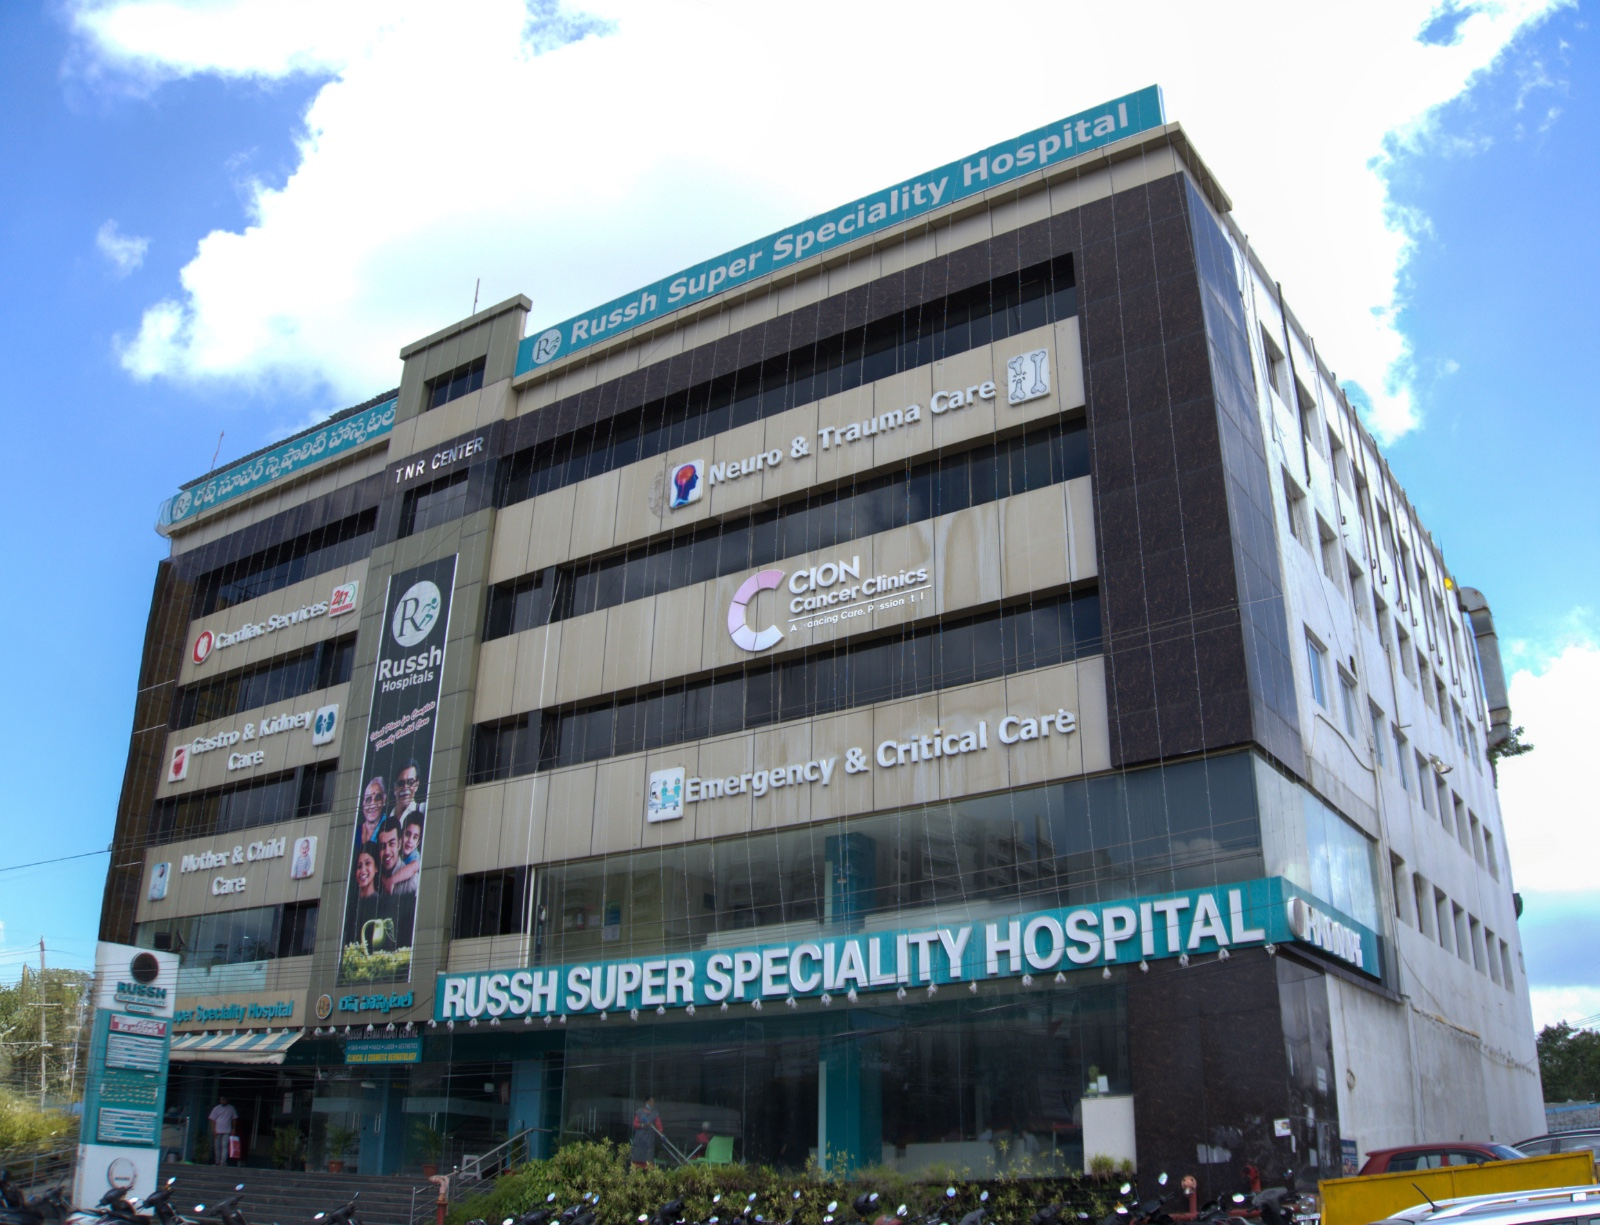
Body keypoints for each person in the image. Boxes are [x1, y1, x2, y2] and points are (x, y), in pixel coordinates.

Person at [376, 818, 416, 896]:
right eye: (382, 846)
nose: (387, 851)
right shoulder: (375, 878)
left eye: (391, 844)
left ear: (399, 844)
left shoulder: (412, 881)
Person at [385, 813, 423, 893]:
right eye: (407, 834)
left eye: (414, 838)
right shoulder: (396, 847)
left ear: (418, 843)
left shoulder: (414, 855)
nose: (410, 840)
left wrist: (392, 880)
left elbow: (414, 867)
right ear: (401, 834)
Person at [631, 1096, 663, 1168]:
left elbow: (660, 1128)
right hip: (639, 1140)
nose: (652, 1103)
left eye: (653, 1102)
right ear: (646, 1102)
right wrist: (643, 1125)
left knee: (649, 1163)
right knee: (636, 1163)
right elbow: (635, 1124)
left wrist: (657, 1131)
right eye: (650, 1102)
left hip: (649, 1141)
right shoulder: (639, 1112)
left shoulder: (655, 1114)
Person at [355, 777, 387, 847]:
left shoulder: (390, 827)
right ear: (363, 804)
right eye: (368, 800)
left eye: (377, 798)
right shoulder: (356, 832)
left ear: (384, 800)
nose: (372, 805)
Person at [208, 1095, 237, 1165]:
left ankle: (223, 1161)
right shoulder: (216, 1108)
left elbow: (234, 1119)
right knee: (217, 1146)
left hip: (227, 1130)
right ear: (220, 1100)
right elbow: (212, 1120)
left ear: (227, 1100)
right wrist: (213, 1130)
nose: (223, 1101)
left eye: (225, 1100)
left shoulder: (231, 1108)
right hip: (217, 1131)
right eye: (222, 1100)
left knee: (224, 1146)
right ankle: (217, 1161)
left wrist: (233, 1128)